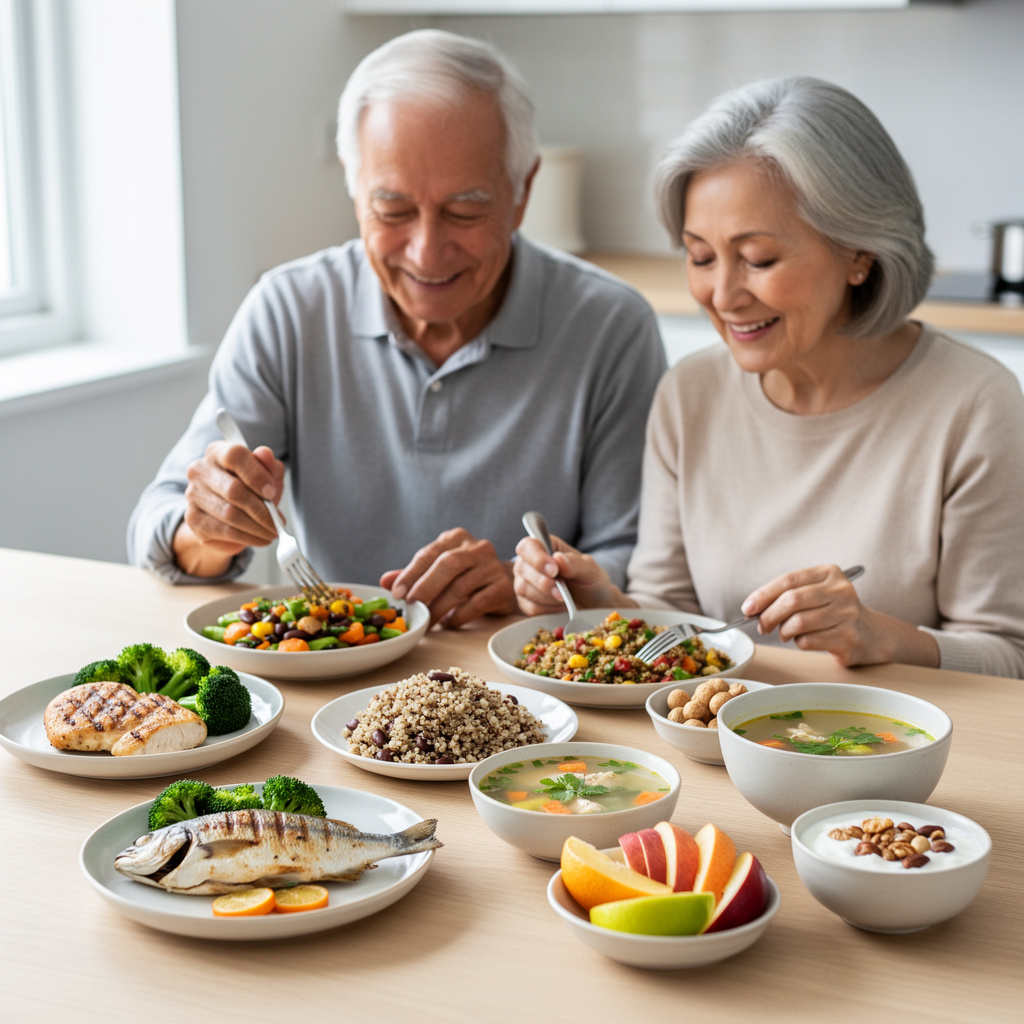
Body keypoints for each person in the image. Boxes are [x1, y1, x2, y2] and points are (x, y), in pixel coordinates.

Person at [128, 29, 666, 628]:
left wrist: (531, 586)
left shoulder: (612, 326)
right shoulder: (288, 309)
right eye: (393, 211)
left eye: (465, 211)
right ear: (354, 192)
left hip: (534, 689)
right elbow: (157, 523)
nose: (427, 252)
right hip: (337, 675)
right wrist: (210, 531)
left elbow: (633, 558)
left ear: (523, 193)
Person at [514, 76, 1024, 678]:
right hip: (722, 746)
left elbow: (1007, 657)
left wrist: (879, 637)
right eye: (700, 256)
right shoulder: (690, 395)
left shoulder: (974, 404)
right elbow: (673, 625)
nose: (723, 295)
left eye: (758, 259)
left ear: (860, 252)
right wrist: (609, 607)